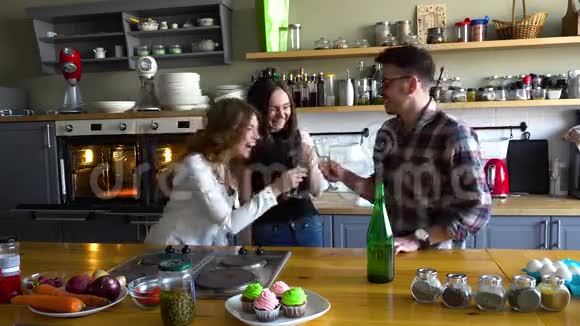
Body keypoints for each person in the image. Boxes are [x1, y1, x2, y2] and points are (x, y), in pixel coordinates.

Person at [321, 46, 491, 254]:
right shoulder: (388, 131)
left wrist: (418, 239)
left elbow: (477, 210)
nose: (380, 91)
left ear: (410, 84)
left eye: (385, 82)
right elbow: (382, 194)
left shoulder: (454, 134)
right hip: (389, 251)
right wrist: (344, 175)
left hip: (437, 263)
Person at [145, 99, 307, 246]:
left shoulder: (224, 166)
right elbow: (229, 223)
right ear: (229, 130)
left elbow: (217, 228)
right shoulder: (196, 166)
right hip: (168, 251)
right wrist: (276, 189)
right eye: (250, 128)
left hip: (196, 252)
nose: (257, 136)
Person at [240, 78, 327, 247]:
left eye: (286, 107)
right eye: (273, 109)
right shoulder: (248, 144)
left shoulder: (302, 137)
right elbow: (245, 202)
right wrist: (247, 244)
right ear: (258, 110)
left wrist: (310, 162)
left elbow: (317, 191)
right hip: (269, 230)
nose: (282, 114)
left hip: (308, 226)